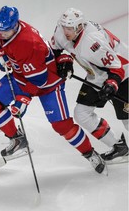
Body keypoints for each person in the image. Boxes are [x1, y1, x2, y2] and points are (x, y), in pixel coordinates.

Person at [0, 5, 107, 174]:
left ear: (16, 26)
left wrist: (22, 99)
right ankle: (17, 140)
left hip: (48, 82)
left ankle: (90, 153)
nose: (1, 33)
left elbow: (38, 80)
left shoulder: (28, 43)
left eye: (6, 31)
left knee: (62, 125)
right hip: (21, 76)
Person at [50, 8, 128, 163]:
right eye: (64, 26)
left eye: (70, 28)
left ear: (80, 27)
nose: (66, 31)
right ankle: (119, 147)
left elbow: (117, 67)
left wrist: (111, 85)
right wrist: (65, 60)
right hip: (97, 74)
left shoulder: (93, 42)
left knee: (127, 119)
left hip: (124, 73)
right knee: (82, 114)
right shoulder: (61, 31)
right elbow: (54, 50)